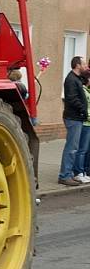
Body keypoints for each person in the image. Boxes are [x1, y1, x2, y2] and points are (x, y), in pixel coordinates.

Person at [58, 56, 88, 186]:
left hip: (76, 117)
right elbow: (72, 98)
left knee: (74, 147)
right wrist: (83, 110)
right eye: (84, 63)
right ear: (77, 65)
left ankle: (69, 174)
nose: (86, 66)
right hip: (73, 117)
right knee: (72, 148)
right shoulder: (71, 80)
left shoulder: (77, 78)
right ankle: (64, 175)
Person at [72, 69, 90, 184]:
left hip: (88, 123)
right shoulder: (83, 91)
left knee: (85, 150)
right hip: (85, 122)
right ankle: (79, 172)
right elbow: (85, 107)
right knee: (82, 149)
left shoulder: (87, 90)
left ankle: (83, 171)